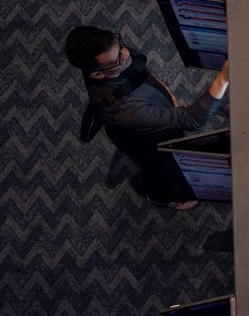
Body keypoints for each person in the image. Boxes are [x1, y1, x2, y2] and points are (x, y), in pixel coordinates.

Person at [64, 26, 230, 210]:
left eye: (121, 44)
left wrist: (163, 89)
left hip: (147, 112)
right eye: (119, 57)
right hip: (145, 141)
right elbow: (192, 120)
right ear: (97, 74)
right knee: (158, 169)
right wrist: (223, 79)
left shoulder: (115, 56)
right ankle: (161, 198)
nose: (127, 53)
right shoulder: (126, 111)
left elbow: (140, 68)